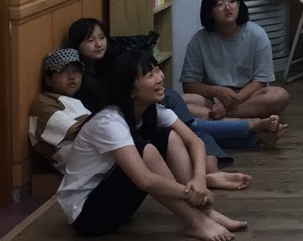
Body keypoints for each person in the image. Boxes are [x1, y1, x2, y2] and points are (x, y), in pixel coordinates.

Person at [57, 48, 248, 241]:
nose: (160, 78)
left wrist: (199, 181)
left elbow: (195, 141)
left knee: (169, 137)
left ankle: (205, 212)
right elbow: (145, 180)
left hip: (113, 200)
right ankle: (194, 221)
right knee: (145, 150)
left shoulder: (151, 109)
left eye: (157, 70)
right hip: (87, 215)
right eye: (150, 75)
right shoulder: (109, 122)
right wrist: (190, 192)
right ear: (131, 90)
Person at [67, 18, 282, 185]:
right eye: (90, 40)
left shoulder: (111, 60)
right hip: (135, 115)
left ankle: (248, 139)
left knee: (193, 121)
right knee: (195, 129)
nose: (99, 44)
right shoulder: (81, 78)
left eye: (102, 37)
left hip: (149, 106)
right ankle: (250, 132)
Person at [180, 0, 291, 120]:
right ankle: (243, 122)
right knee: (179, 101)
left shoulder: (257, 34)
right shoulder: (199, 40)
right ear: (209, 12)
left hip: (247, 97)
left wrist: (229, 104)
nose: (228, 7)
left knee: (279, 96)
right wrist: (217, 91)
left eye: (232, 1)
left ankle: (222, 118)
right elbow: (189, 84)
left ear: (238, 5)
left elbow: (261, 80)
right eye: (220, 4)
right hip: (213, 99)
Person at [28, 49, 91, 172]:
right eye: (63, 71)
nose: (72, 77)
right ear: (48, 79)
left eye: (76, 71)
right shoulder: (43, 102)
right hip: (81, 164)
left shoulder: (77, 100)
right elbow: (74, 131)